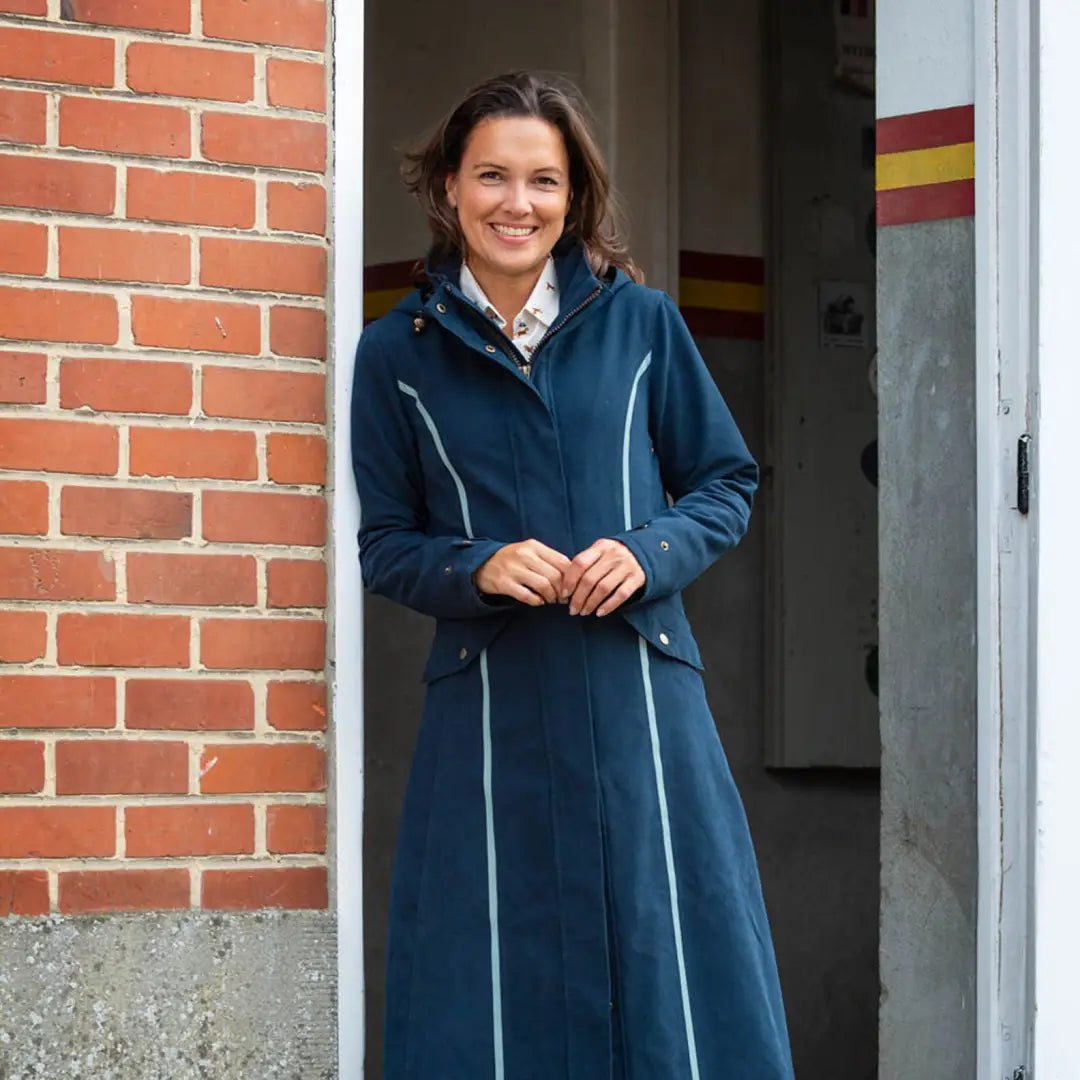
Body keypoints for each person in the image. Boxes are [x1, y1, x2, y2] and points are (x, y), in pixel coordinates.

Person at [351, 70, 795, 1080]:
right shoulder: (395, 357)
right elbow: (386, 544)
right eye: (494, 176)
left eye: (544, 181)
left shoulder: (643, 326)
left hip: (640, 693)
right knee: (494, 971)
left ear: (574, 196)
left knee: (670, 956)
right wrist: (479, 565)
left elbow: (724, 481)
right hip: (490, 710)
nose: (520, 203)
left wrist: (648, 552)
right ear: (449, 190)